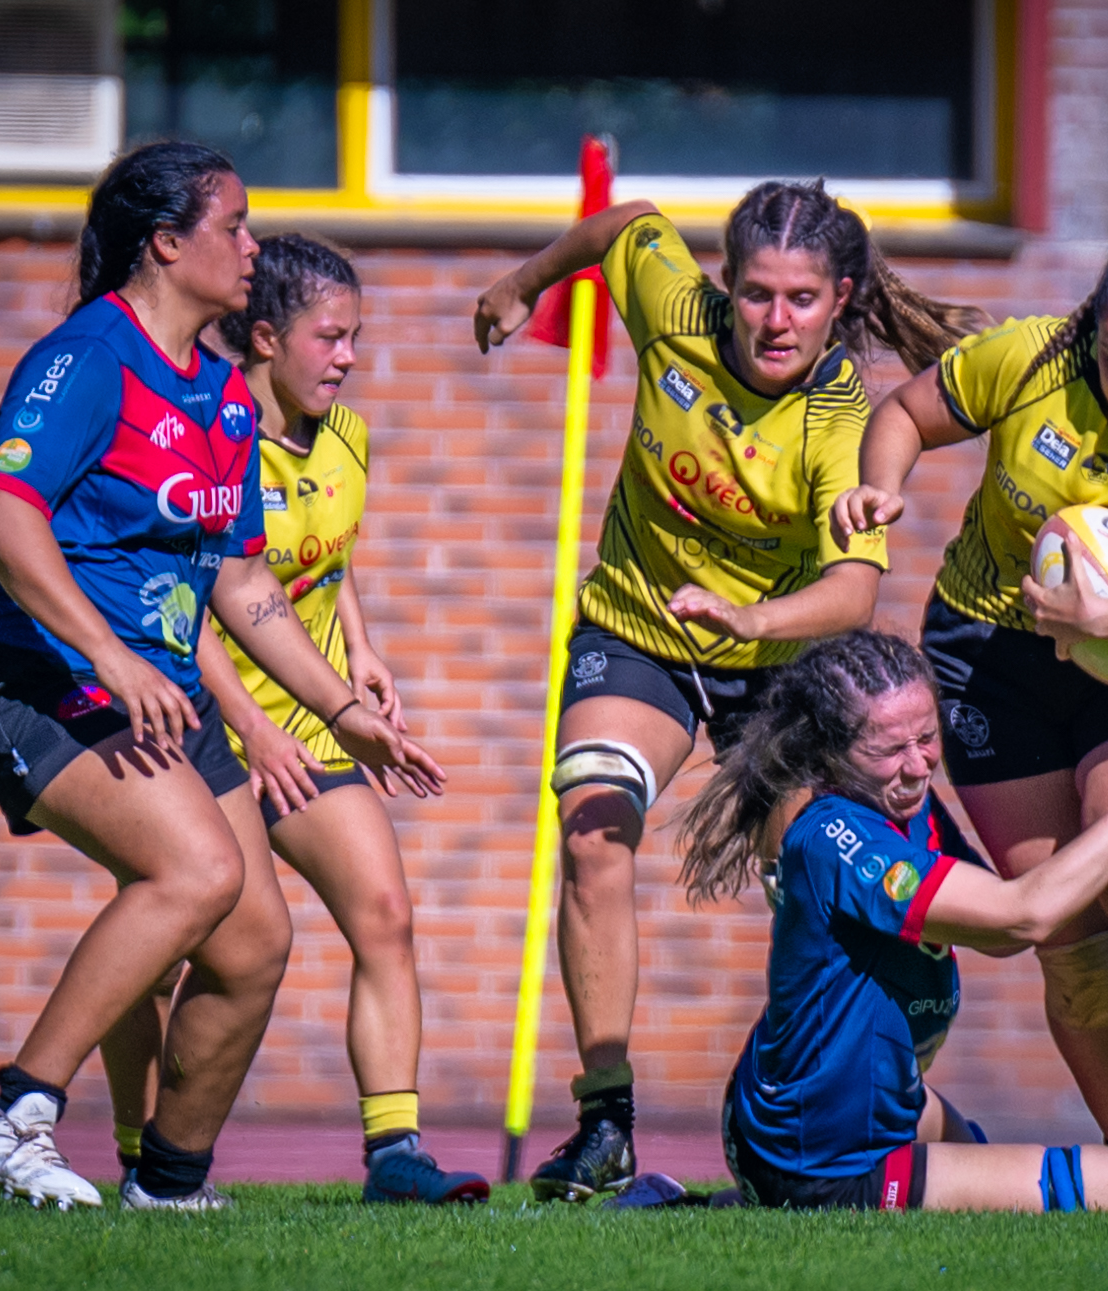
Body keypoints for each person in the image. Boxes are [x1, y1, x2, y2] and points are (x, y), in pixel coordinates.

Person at [0, 143, 440, 1211]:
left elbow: (243, 581)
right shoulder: (88, 358)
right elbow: (0, 512)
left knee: (257, 941)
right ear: (166, 243)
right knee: (197, 873)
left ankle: (167, 1184)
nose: (253, 248)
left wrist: (343, 710)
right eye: (236, 226)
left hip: (156, 689)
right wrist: (111, 654)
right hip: (35, 679)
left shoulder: (220, 396)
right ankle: (12, 1113)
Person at [472, 181, 985, 1201]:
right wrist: (521, 282)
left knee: (822, 888)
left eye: (800, 298)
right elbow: (630, 221)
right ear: (724, 286)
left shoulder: (841, 423)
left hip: (779, 665)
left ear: (841, 297)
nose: (774, 320)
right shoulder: (676, 306)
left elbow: (853, 591)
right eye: (755, 294)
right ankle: (605, 1121)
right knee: (593, 828)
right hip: (638, 631)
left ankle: (926, 1123)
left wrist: (751, 620)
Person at [829, 220, 1108, 1198]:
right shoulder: (1032, 357)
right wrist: (880, 487)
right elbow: (904, 413)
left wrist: (1105, 615)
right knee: (1072, 945)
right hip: (991, 662)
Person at [94, 234, 486, 1204]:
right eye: (332, 336)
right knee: (158, 957)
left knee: (385, 913)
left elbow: (318, 562)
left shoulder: (346, 436)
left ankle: (395, 1153)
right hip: (192, 720)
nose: (348, 357)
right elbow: (205, 594)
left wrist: (361, 646)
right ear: (265, 337)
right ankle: (142, 1151)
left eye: (356, 337)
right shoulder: (211, 433)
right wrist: (249, 729)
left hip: (309, 722)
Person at [678, 630, 1108, 1213]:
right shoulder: (839, 838)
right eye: (887, 750)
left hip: (817, 1114)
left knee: (970, 1151)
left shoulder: (902, 803)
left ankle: (744, 1199)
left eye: (928, 737)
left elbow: (995, 924)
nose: (916, 766)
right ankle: (732, 1203)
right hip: (825, 1164)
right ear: (826, 752)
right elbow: (1020, 918)